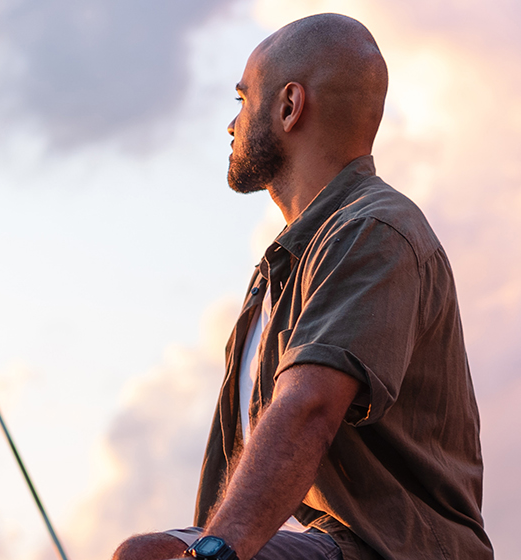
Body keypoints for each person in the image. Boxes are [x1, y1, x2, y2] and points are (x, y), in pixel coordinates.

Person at [111, 13, 490, 560]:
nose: (232, 124)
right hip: (321, 543)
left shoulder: (373, 233)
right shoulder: (284, 268)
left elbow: (308, 408)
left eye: (243, 100)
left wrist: (217, 551)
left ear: (289, 107)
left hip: (391, 547)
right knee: (146, 554)